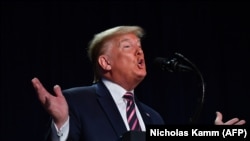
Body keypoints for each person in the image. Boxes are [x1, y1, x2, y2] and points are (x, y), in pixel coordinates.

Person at [31, 25, 246, 141]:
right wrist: (61, 125)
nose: (139, 51)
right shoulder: (76, 101)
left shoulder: (153, 117)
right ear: (105, 62)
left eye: (140, 46)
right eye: (127, 46)